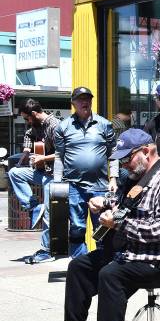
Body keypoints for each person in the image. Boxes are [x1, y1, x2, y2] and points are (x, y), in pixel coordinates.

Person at [38, 129, 160, 321]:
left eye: (127, 158)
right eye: (120, 159)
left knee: (112, 275)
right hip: (134, 250)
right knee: (79, 267)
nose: (124, 164)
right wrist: (106, 204)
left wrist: (119, 223)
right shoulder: (139, 177)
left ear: (147, 151)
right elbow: (127, 206)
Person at [52, 87, 117, 258]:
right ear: (73, 103)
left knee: (102, 227)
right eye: (80, 99)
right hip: (74, 187)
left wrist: (114, 178)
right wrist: (57, 183)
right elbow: (59, 156)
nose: (84, 102)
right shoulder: (63, 127)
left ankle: (102, 263)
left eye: (87, 98)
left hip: (101, 187)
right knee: (77, 227)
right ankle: (80, 265)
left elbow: (114, 154)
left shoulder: (105, 124)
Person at [9, 99, 60, 263]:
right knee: (14, 173)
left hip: (54, 175)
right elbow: (28, 135)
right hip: (41, 171)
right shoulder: (36, 125)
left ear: (33, 114)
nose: (26, 122)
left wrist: (43, 157)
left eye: (26, 119)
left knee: (48, 213)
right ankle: (33, 206)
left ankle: (46, 250)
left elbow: (64, 152)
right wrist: (26, 151)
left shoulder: (54, 125)